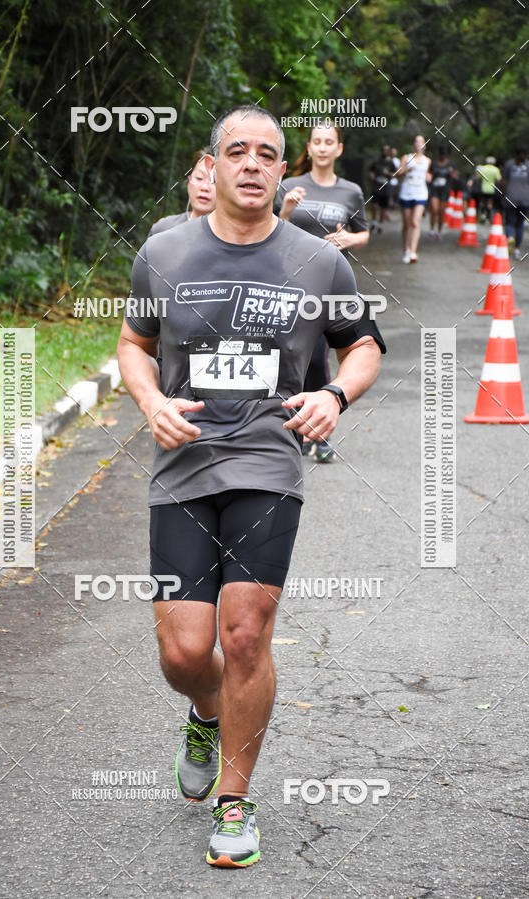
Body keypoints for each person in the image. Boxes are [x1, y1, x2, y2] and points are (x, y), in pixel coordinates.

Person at [117, 104, 385, 868]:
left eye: (268, 153)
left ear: (281, 168)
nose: (253, 164)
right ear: (214, 164)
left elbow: (361, 345)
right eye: (238, 151)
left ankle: (235, 801)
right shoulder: (164, 252)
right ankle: (205, 711)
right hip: (183, 465)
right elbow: (134, 343)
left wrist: (334, 395)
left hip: (268, 462)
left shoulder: (317, 260)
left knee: (244, 633)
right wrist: (151, 400)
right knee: (184, 651)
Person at [275, 119, 370, 462]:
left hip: (330, 289)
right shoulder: (289, 185)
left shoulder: (351, 191)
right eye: (317, 141)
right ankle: (294, 428)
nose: (323, 147)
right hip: (290, 286)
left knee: (317, 358)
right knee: (292, 357)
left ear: (339, 148)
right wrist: (285, 211)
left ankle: (320, 430)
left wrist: (350, 239)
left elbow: (363, 233)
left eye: (330, 141)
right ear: (310, 147)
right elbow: (269, 234)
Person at [148, 146, 215, 236]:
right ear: (188, 181)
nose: (205, 187)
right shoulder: (163, 229)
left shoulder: (235, 239)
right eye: (199, 178)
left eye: (214, 181)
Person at [397, 134, 431, 263]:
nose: (418, 144)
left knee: (415, 222)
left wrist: (429, 177)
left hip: (421, 194)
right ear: (413, 144)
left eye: (421, 142)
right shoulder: (406, 157)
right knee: (406, 224)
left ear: (424, 145)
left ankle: (413, 251)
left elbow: (428, 174)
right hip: (406, 193)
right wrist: (406, 170)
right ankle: (406, 249)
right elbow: (398, 173)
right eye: (416, 142)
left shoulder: (427, 161)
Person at [501, 149, 529, 259]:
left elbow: (504, 182)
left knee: (509, 222)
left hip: (511, 197)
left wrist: (503, 195)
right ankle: (517, 249)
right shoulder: (528, 165)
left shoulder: (509, 164)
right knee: (520, 224)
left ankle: (509, 238)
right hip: (525, 199)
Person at [428, 146, 456, 239]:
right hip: (435, 188)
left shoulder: (450, 164)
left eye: (444, 154)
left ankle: (439, 231)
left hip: (445, 190)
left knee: (441, 211)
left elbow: (455, 177)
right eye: (441, 154)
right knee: (434, 209)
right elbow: (429, 175)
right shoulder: (434, 163)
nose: (443, 156)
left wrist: (452, 173)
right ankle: (431, 230)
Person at [368, 144, 394, 231]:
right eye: (384, 150)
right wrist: (372, 177)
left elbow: (395, 173)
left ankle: (380, 224)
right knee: (374, 205)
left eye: (387, 150)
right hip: (377, 185)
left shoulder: (391, 162)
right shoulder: (376, 161)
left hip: (386, 186)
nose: (385, 152)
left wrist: (388, 174)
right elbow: (370, 170)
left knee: (383, 207)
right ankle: (374, 221)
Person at [475, 155, 502, 220]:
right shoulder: (496, 169)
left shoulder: (482, 168)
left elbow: (478, 177)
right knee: (490, 203)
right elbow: (498, 180)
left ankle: (482, 215)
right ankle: (488, 217)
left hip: (483, 188)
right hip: (491, 189)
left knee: (482, 202)